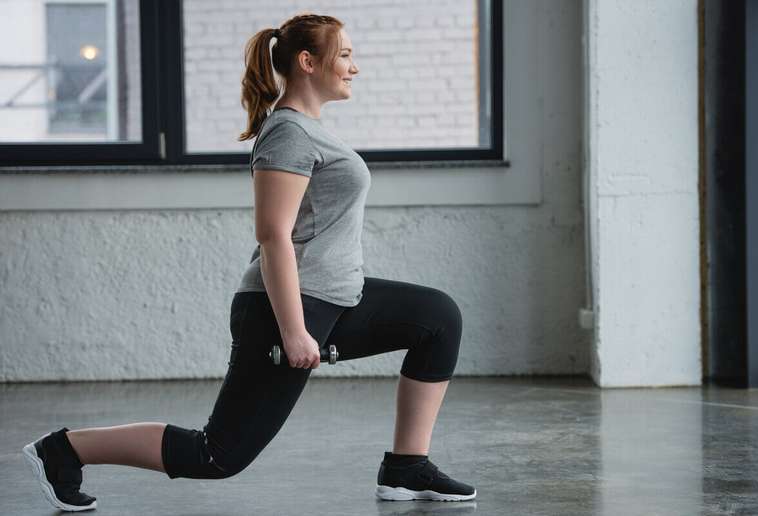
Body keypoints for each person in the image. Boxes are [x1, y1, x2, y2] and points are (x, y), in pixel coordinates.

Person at [22, 13, 476, 511]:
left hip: (335, 297)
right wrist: (295, 329)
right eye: (344, 55)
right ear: (308, 62)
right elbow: (273, 235)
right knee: (216, 454)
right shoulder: (288, 134)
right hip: (287, 306)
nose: (354, 67)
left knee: (437, 318)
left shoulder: (308, 130)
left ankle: (406, 468)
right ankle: (63, 450)